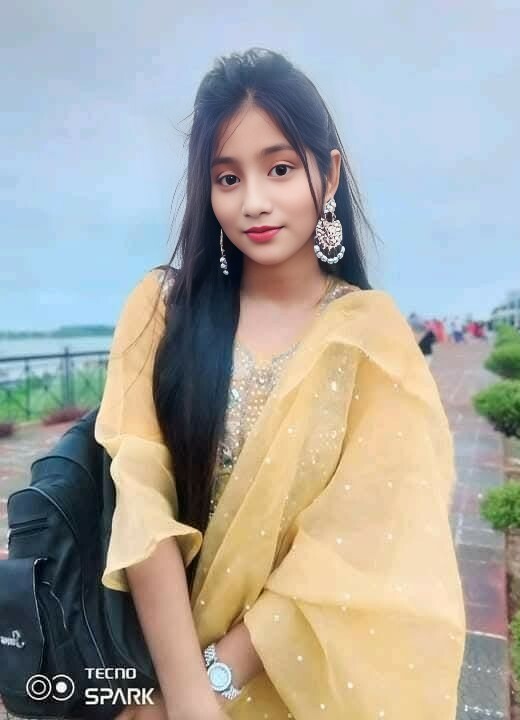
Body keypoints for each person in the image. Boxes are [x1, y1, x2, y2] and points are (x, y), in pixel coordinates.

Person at [94, 48, 466, 720]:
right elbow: (141, 499)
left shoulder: (369, 339)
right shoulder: (162, 310)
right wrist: (181, 692)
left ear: (329, 173)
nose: (254, 202)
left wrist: (212, 685)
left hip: (297, 684)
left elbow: (360, 542)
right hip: (153, 674)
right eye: (227, 177)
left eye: (280, 168)